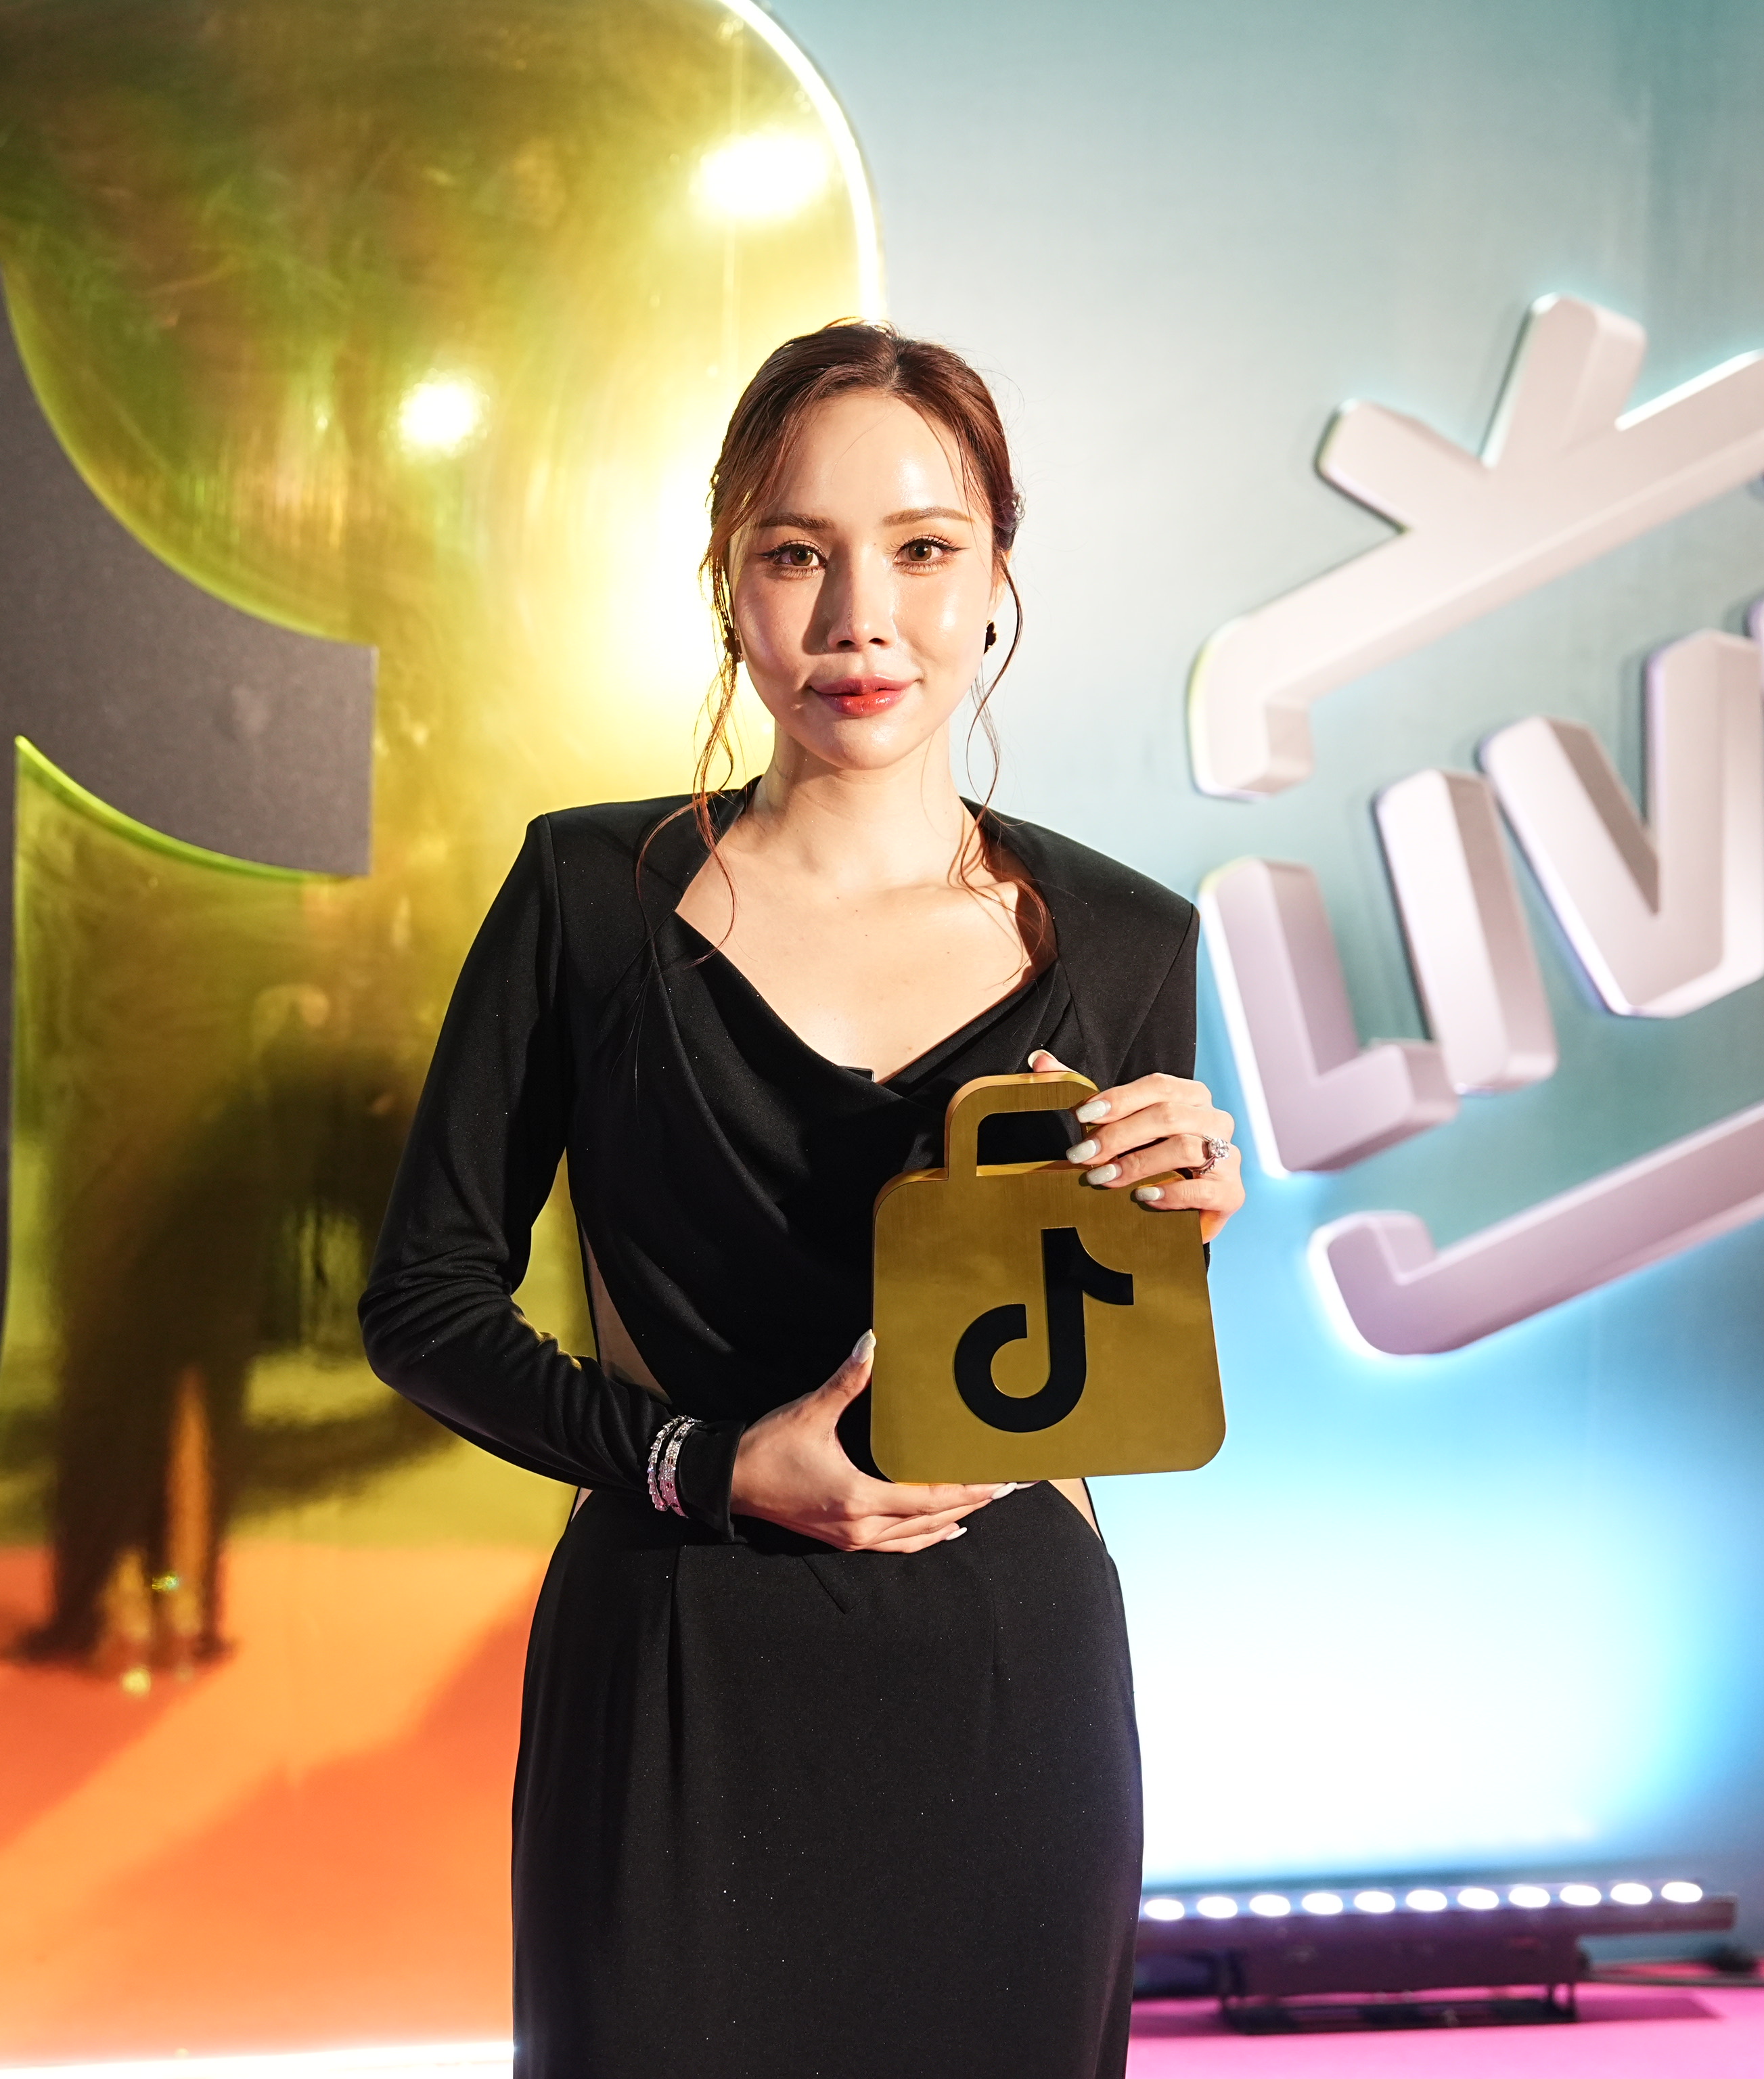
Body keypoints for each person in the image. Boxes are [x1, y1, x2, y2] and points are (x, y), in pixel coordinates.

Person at [359, 322, 1248, 2079]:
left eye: (923, 549)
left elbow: (1082, 1382)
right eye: (796, 553)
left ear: (996, 577)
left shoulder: (1130, 941)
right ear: (727, 581)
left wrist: (1178, 1230)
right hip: (682, 1655)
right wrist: (702, 1462)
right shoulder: (587, 899)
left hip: (1006, 1684)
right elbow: (426, 1302)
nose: (862, 619)